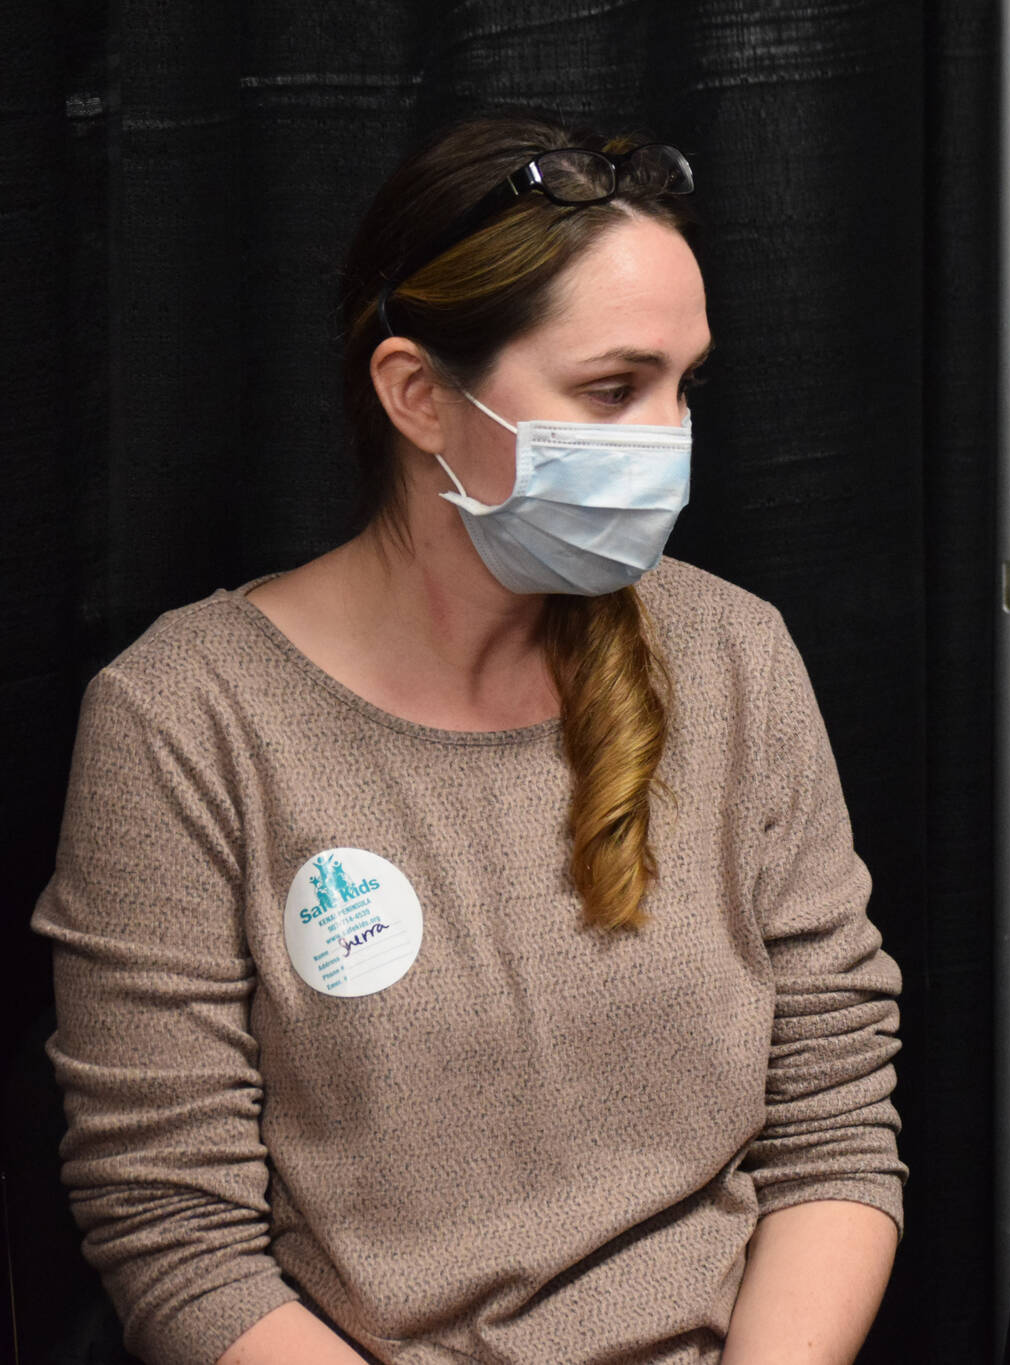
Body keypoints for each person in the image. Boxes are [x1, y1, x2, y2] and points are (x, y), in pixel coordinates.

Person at [33, 113, 903, 1365]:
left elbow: (833, 1124)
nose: (667, 439)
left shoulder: (729, 654)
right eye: (612, 387)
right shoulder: (188, 720)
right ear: (417, 395)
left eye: (684, 384)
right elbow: (175, 1231)